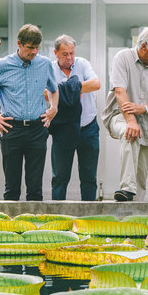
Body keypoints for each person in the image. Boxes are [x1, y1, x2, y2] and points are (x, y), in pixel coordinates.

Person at [0, 24, 59, 200]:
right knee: (12, 187)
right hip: (11, 129)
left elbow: (53, 88)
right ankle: (12, 226)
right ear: (19, 44)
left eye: (36, 48)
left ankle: (35, 226)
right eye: (30, 47)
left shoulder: (44, 64)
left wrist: (53, 108)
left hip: (37, 128)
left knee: (35, 188)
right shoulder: (2, 66)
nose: (34, 52)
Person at [101, 27, 148, 202]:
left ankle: (134, 213)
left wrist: (143, 108)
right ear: (143, 46)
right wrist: (131, 120)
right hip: (120, 115)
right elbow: (119, 92)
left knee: (141, 177)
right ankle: (126, 188)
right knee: (129, 133)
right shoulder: (123, 58)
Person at [49, 34, 101, 201]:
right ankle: (57, 218)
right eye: (65, 54)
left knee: (89, 176)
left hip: (88, 127)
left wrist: (63, 89)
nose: (69, 57)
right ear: (55, 52)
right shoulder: (49, 69)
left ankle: (89, 218)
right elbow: (43, 93)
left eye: (72, 53)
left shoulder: (83, 64)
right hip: (62, 128)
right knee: (59, 177)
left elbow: (95, 84)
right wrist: (73, 88)